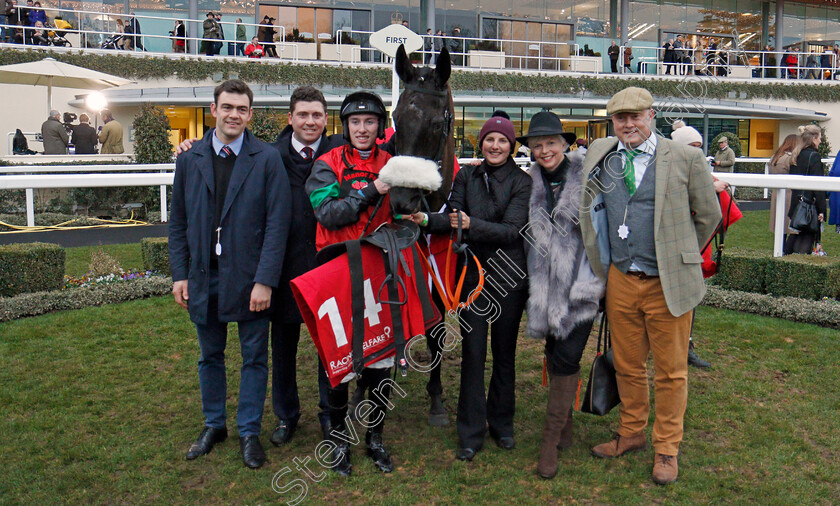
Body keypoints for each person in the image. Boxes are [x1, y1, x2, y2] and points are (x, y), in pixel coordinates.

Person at [580, 87, 720, 485]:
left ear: (652, 116)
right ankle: (631, 432)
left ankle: (667, 448)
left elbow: (708, 215)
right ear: (612, 123)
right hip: (621, 278)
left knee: (672, 371)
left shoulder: (686, 158)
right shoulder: (602, 155)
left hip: (666, 282)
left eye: (636, 116)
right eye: (620, 118)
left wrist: (680, 253)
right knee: (626, 363)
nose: (628, 124)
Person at [169, 79, 291, 470]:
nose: (234, 115)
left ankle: (249, 431)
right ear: (214, 109)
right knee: (210, 356)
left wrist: (265, 280)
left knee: (255, 357)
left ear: (250, 114)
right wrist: (179, 274)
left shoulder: (267, 158)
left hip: (250, 278)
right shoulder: (190, 158)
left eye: (241, 109)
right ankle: (214, 424)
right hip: (205, 277)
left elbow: (277, 224)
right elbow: (179, 221)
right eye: (228, 107)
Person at [413, 115, 531, 462]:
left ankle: (502, 424)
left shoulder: (522, 182)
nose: (495, 146)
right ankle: (470, 430)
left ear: (511, 146)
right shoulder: (467, 175)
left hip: (508, 278)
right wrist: (425, 220)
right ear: (481, 143)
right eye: (489, 139)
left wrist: (471, 224)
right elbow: (452, 217)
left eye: (502, 141)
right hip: (470, 279)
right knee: (473, 355)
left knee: (505, 355)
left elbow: (512, 230)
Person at [304, 91, 395, 476]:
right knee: (338, 359)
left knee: (381, 356)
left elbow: (408, 208)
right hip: (338, 271)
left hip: (379, 271)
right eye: (355, 122)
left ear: (379, 126)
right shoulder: (326, 164)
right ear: (346, 126)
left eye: (370, 122)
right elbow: (328, 214)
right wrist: (372, 190)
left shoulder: (393, 163)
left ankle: (374, 436)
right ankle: (338, 436)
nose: (362, 128)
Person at [512, 112, 604, 479]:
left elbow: (607, 229)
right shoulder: (528, 183)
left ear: (565, 144)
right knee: (553, 352)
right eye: (537, 144)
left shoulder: (589, 179)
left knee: (566, 357)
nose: (544, 150)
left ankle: (549, 440)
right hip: (545, 288)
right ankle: (565, 427)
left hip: (583, 283)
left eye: (551, 143)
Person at [670, 120, 733, 370]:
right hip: (672, 249)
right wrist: (709, 188)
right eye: (691, 147)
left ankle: (686, 346)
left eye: (699, 147)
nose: (696, 152)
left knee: (689, 299)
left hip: (693, 249)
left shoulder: (702, 173)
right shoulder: (669, 173)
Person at [785, 124, 826, 255]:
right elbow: (817, 186)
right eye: (820, 138)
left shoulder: (797, 154)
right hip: (809, 206)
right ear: (814, 138)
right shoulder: (814, 156)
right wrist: (822, 210)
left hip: (797, 203)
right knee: (805, 242)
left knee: (794, 237)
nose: (820, 141)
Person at [768, 134, 798, 236]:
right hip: (789, 194)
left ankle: (780, 247)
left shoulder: (775, 157)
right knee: (788, 225)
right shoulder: (789, 159)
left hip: (776, 192)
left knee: (779, 224)